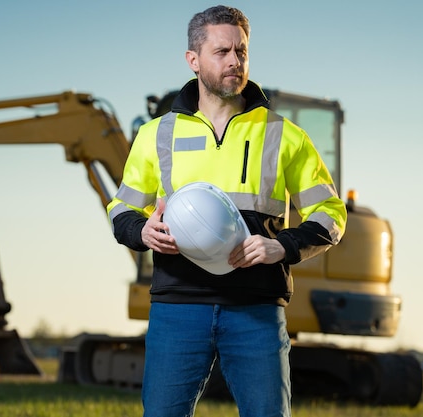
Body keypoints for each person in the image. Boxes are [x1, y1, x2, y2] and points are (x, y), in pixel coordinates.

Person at [107, 5, 347, 417]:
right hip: (178, 308)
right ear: (193, 60)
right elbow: (121, 207)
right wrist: (141, 232)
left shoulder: (282, 134)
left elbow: (330, 213)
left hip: (255, 310)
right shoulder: (156, 134)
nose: (235, 62)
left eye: (241, 52)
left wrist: (282, 247)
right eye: (222, 52)